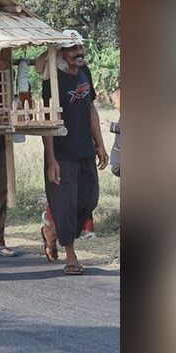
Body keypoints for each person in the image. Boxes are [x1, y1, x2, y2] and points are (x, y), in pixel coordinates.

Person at [41, 30, 109, 274]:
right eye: (72, 49)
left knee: (89, 199)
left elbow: (90, 108)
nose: (79, 52)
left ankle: (52, 229)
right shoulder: (52, 81)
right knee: (66, 205)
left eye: (79, 47)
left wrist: (99, 144)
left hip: (85, 151)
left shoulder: (84, 73)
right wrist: (51, 160)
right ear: (61, 53)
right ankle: (71, 256)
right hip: (62, 154)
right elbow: (47, 122)